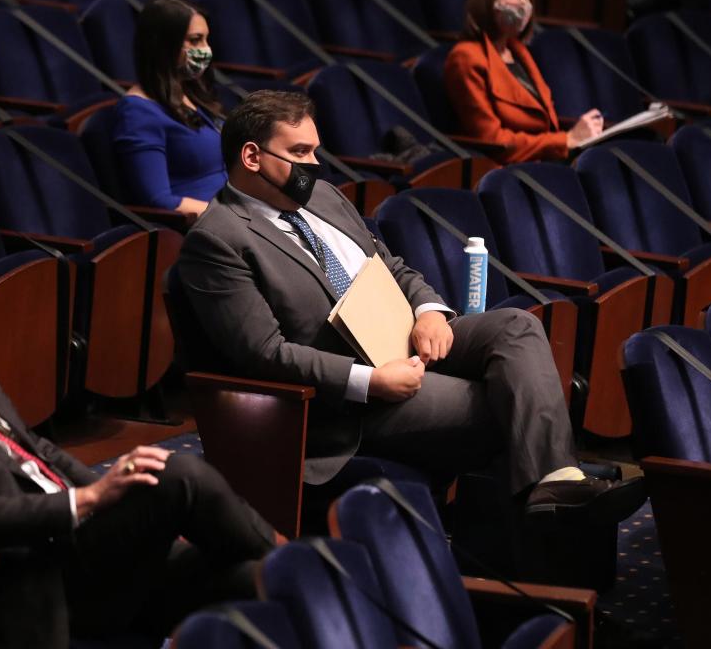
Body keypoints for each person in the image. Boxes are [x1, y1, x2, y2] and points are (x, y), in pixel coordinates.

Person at [178, 89, 645, 525]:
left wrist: (429, 311)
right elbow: (264, 353)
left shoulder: (321, 197)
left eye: (316, 150)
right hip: (343, 404)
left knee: (517, 326)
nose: (314, 165)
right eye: (300, 153)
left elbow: (391, 267)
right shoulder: (218, 239)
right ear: (252, 157)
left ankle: (554, 487)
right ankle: (552, 512)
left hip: (400, 336)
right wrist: (369, 382)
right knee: (501, 400)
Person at [0, 245, 278, 648]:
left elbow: (40, 451)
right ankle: (305, 564)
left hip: (90, 548)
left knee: (251, 579)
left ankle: (302, 577)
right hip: (43, 575)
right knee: (176, 473)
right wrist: (89, 499)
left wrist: (114, 488)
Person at [443, 0, 604, 164]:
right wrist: (566, 140)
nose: (523, 2)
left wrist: (578, 135)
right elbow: (492, 142)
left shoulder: (518, 51)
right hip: (506, 172)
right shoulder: (466, 58)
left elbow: (545, 123)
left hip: (542, 163)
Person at [111, 0, 227, 214]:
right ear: (164, 46)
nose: (206, 50)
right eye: (195, 40)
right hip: (204, 228)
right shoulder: (138, 113)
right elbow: (158, 200)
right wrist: (232, 218)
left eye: (206, 40)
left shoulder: (192, 93)